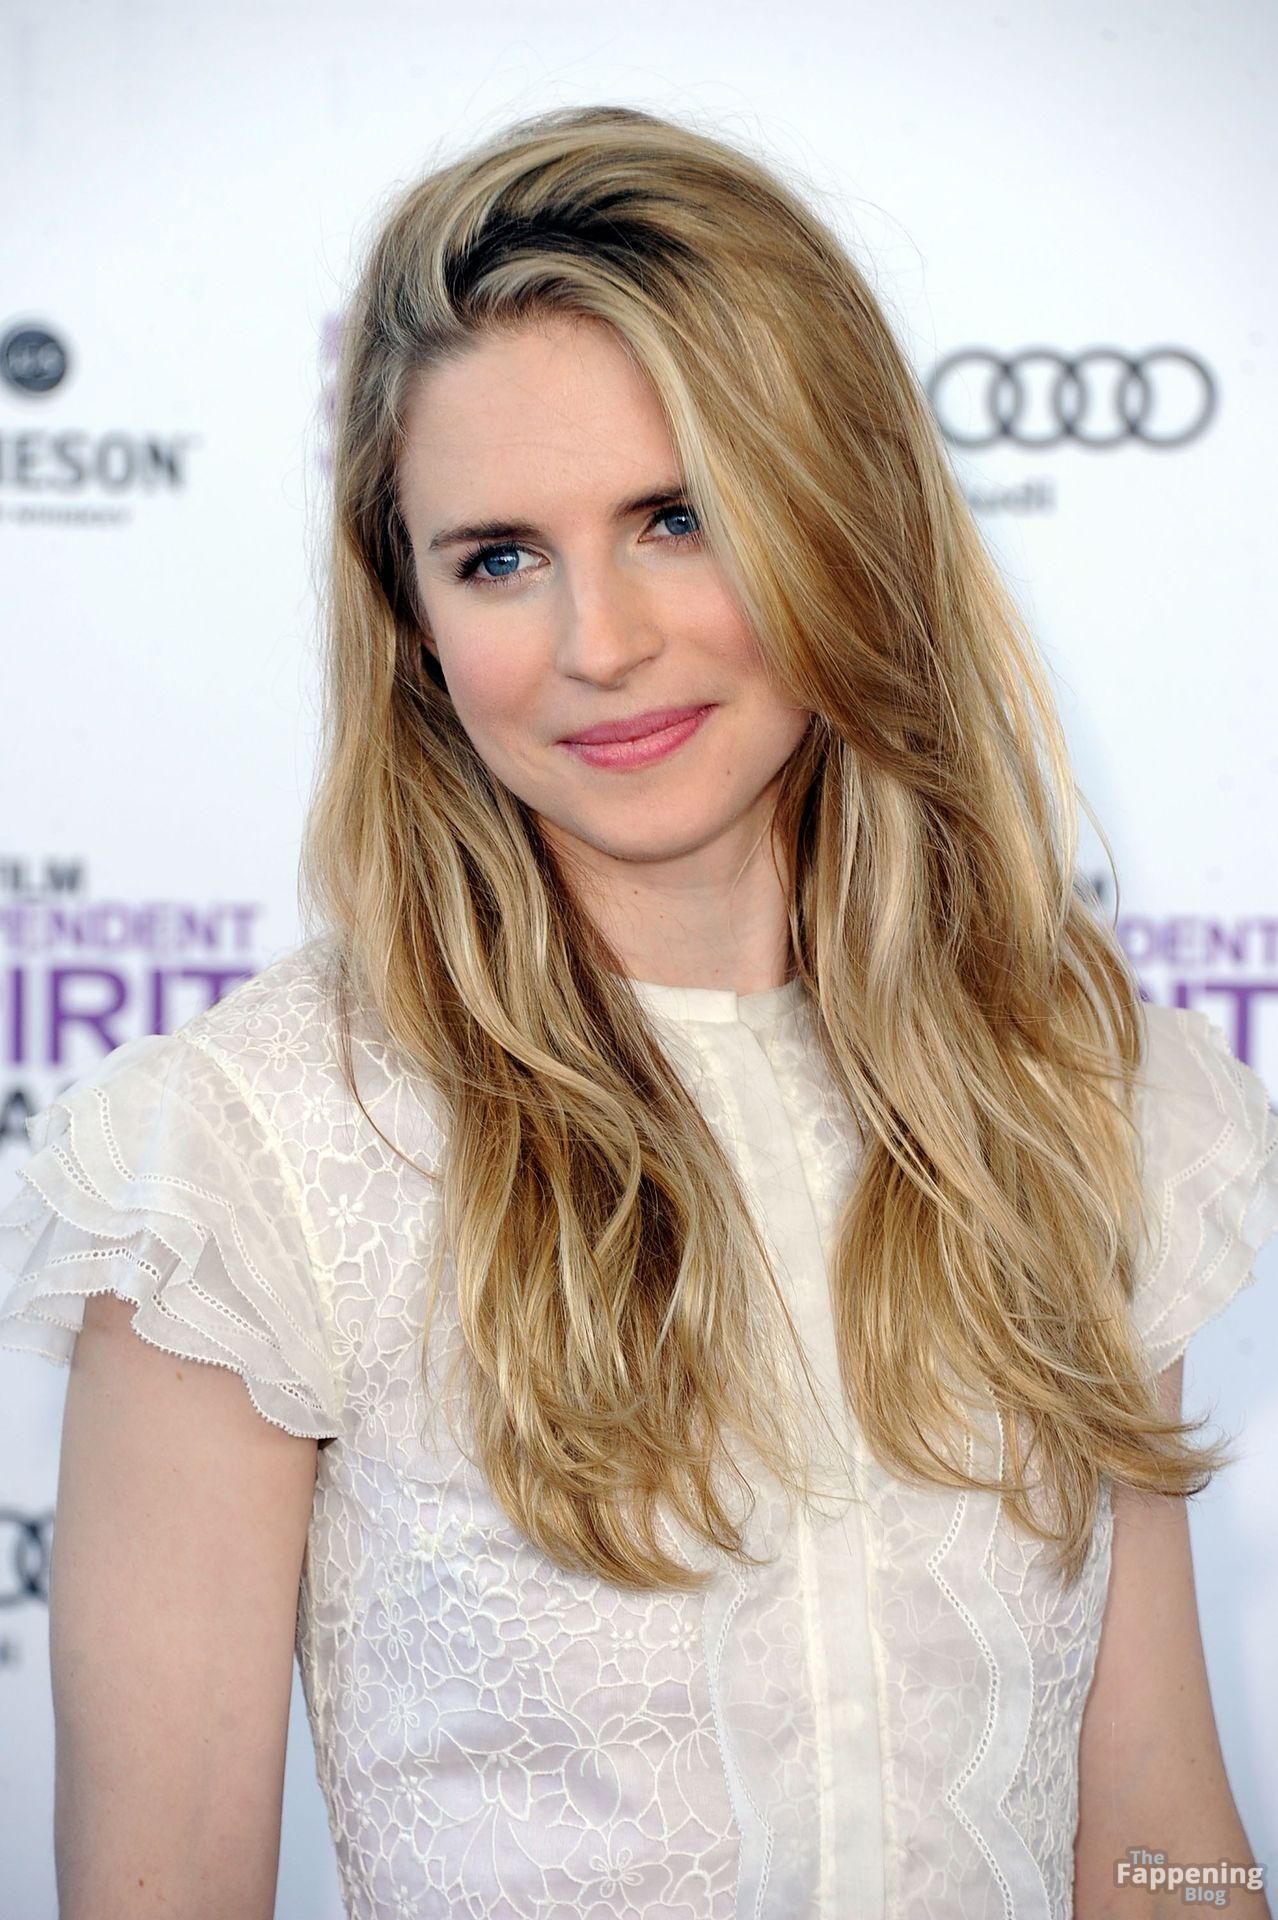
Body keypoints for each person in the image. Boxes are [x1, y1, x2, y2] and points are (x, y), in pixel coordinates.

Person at [1, 103, 1275, 1920]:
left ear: (839, 515)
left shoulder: (1073, 1088)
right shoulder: (251, 1158)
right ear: (412, 619)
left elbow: (1155, 1826)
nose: (597, 644)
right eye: (497, 557)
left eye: (676, 519)